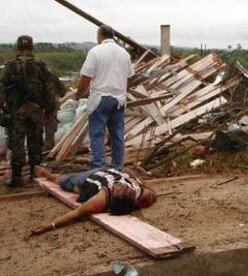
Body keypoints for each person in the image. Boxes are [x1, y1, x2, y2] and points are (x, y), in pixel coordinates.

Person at [26, 166, 157, 239]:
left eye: (120, 190)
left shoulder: (103, 198)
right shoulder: (137, 191)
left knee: (62, 180)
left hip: (87, 180)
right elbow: (128, 170)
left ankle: (48, 174)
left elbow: (77, 212)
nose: (123, 186)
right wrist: (140, 181)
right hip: (108, 170)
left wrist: (50, 225)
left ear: (115, 195)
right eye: (125, 188)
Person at [76, 25, 135, 169]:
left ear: (99, 36)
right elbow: (130, 78)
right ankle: (117, 167)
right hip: (119, 99)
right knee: (117, 135)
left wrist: (79, 94)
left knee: (97, 134)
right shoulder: (124, 54)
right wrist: (123, 90)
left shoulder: (95, 52)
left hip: (100, 98)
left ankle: (98, 167)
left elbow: (86, 77)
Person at [0, 35, 56, 187]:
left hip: (16, 110)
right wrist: (49, 109)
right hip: (36, 110)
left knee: (17, 142)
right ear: (32, 47)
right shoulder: (41, 65)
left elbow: (2, 89)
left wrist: (2, 108)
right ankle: (34, 173)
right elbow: (49, 89)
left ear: (17, 47)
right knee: (35, 141)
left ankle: (17, 178)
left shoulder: (10, 66)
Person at [44, 73, 66, 151]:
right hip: (52, 105)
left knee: (35, 129)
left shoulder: (30, 77)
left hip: (36, 107)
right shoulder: (52, 76)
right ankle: (48, 149)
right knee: (50, 129)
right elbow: (63, 92)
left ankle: (36, 151)